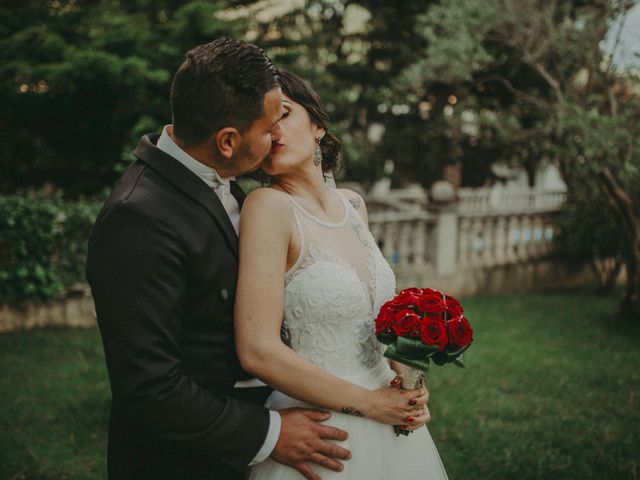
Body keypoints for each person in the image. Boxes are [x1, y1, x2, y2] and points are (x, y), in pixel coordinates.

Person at [86, 38, 369, 480]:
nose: (276, 133)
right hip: (184, 462)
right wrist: (270, 433)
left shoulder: (229, 184)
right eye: (269, 124)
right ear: (228, 141)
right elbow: (149, 387)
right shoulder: (137, 219)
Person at [235, 70, 449, 479]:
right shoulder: (268, 207)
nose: (271, 130)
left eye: (282, 114)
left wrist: (410, 386)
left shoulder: (352, 205)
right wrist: (369, 404)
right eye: (258, 124)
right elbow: (257, 349)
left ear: (317, 125)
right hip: (324, 427)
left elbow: (379, 323)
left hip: (388, 414)